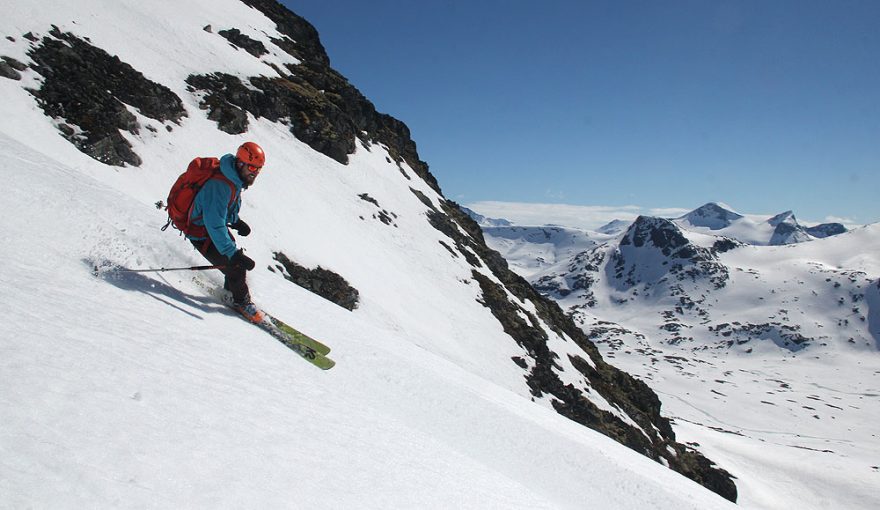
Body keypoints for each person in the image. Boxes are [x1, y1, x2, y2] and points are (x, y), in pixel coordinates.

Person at [188, 141, 265, 322]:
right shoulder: (221, 185)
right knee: (236, 264)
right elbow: (214, 223)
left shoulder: (234, 180)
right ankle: (241, 303)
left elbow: (223, 210)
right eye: (252, 167)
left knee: (234, 259)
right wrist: (232, 254)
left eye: (258, 169)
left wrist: (236, 222)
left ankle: (230, 292)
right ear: (240, 163)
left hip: (207, 229)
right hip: (201, 233)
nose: (255, 172)